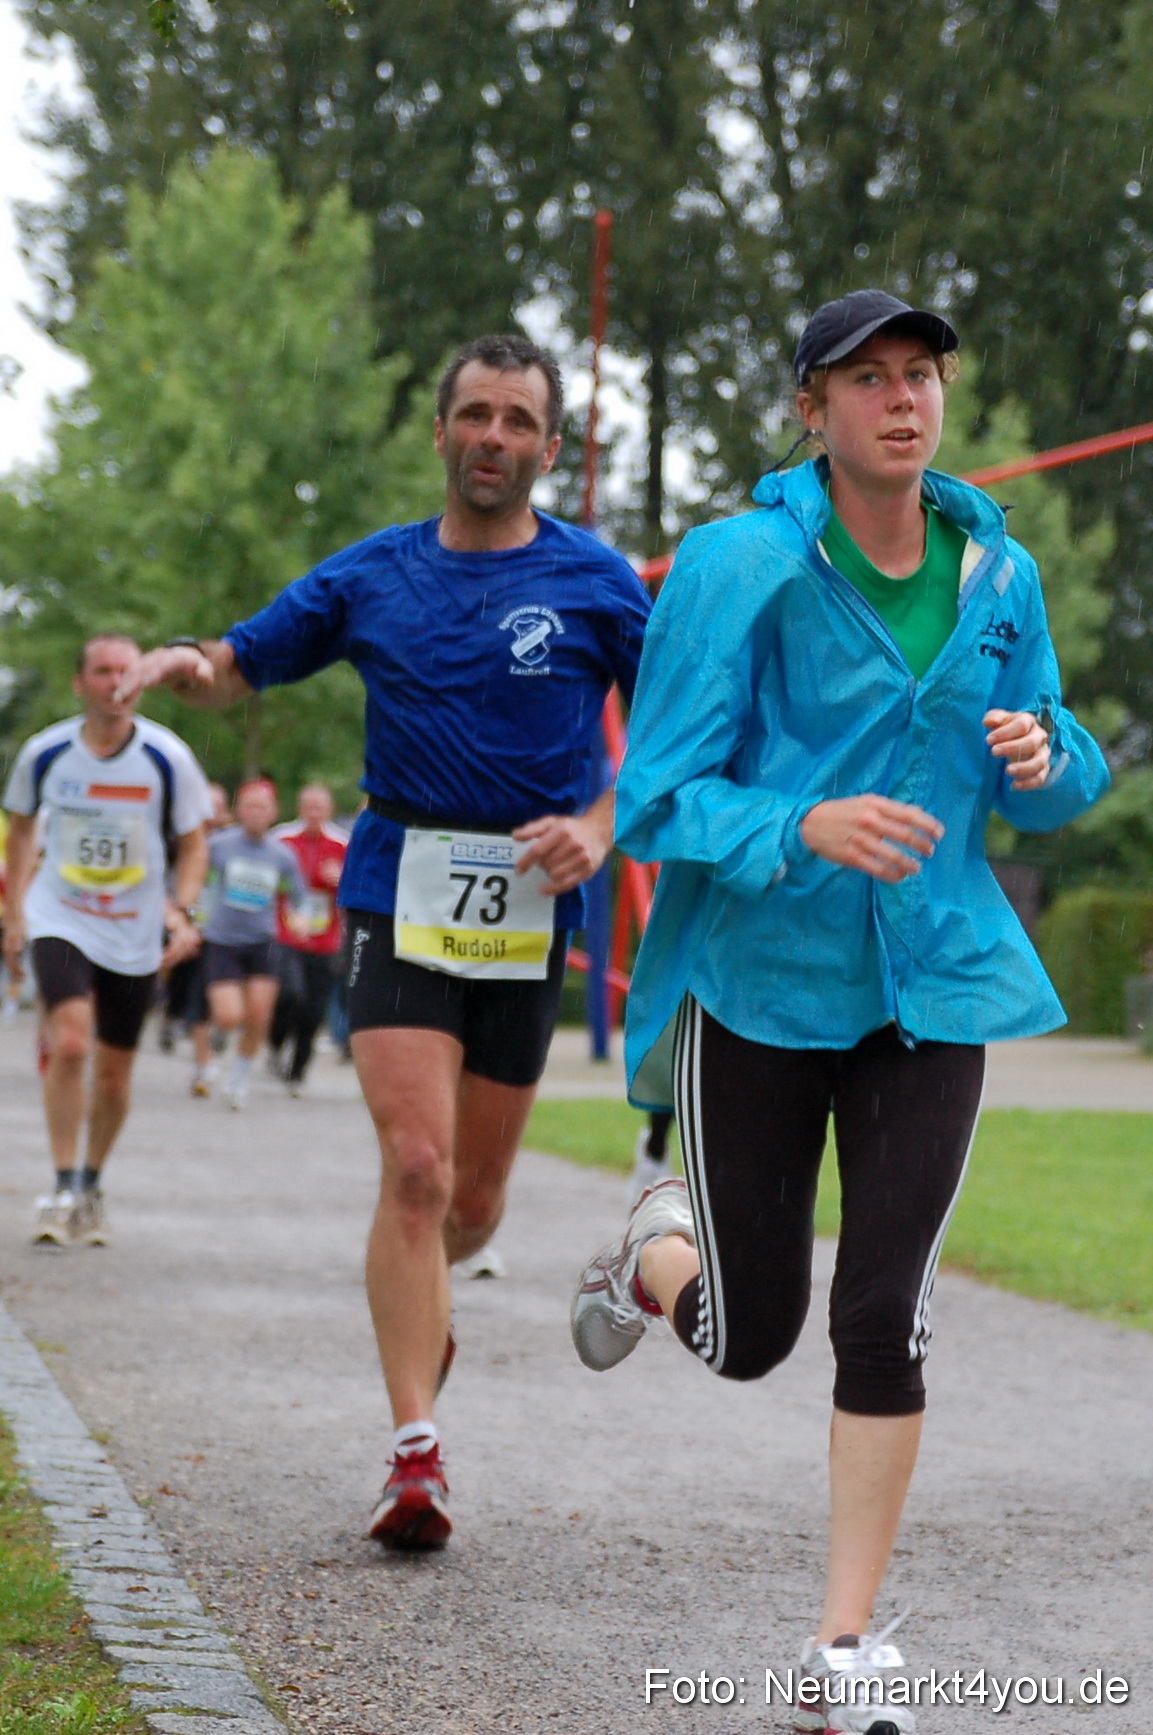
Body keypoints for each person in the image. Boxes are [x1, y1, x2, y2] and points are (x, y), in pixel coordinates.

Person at [569, 290, 1109, 1735]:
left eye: (920, 374)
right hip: (757, 985)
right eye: (865, 378)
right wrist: (802, 822)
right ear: (810, 410)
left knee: (886, 1315)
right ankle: (652, 1250)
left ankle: (842, 1648)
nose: (901, 398)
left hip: (931, 982)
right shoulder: (737, 565)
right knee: (751, 1334)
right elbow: (657, 797)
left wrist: (1044, 747)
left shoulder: (999, 566)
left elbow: (1060, 762)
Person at [115, 332, 651, 1548]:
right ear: (441, 430)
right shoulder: (373, 575)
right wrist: (179, 664)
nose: (493, 438)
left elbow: (673, 722)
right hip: (396, 887)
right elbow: (239, 665)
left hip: (528, 901)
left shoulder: (600, 582)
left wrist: (602, 822)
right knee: (412, 1164)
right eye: (475, 415)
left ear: (549, 449)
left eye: (518, 421)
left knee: (473, 1199)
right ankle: (417, 1454)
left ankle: (429, 1306)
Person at [2, 633, 212, 1245]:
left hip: (135, 925)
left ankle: (91, 1183)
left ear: (140, 681)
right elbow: (19, 833)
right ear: (80, 683)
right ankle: (62, 1183)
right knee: (70, 1044)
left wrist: (181, 910)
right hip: (61, 913)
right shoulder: (45, 754)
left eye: (125, 670)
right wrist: (16, 912)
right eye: (101, 671)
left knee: (116, 1074)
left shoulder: (167, 758)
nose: (114, 681)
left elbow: (194, 845)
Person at [200, 778, 307, 1110]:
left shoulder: (282, 855)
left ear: (274, 813)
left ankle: (238, 1079)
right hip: (222, 939)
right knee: (230, 1014)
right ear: (238, 810)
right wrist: (193, 915)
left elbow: (298, 896)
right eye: (249, 806)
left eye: (263, 807)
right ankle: (219, 1034)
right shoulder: (220, 845)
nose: (256, 813)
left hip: (263, 940)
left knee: (259, 1015)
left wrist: (299, 918)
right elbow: (198, 882)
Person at [268, 783, 348, 1095]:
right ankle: (275, 1040)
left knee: (314, 1008)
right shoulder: (282, 839)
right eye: (309, 807)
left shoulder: (342, 843)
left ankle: (298, 1071)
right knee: (289, 994)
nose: (314, 813)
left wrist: (339, 880)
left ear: (329, 810)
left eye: (320, 808)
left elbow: (358, 891)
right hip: (285, 933)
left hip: (325, 938)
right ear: (300, 808)